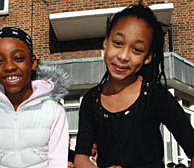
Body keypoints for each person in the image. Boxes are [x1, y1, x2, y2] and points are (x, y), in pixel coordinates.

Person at [74, 3, 194, 168]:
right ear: (105, 42)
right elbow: (80, 158)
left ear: (148, 57)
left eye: (137, 49)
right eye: (117, 43)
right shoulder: (90, 100)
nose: (123, 56)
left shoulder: (155, 96)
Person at [0, 27, 70, 168]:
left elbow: (58, 162)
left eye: (18, 58)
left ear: (32, 62)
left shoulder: (53, 110)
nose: (9, 67)